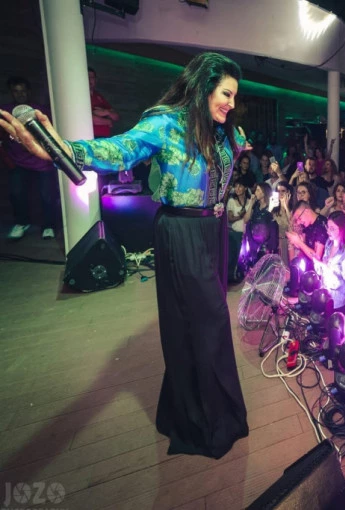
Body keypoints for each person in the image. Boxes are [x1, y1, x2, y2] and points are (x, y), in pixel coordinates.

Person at [1, 53, 251, 458]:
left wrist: (237, 144)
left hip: (213, 231)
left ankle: (207, 412)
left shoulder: (220, 128)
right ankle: (203, 421)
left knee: (205, 324)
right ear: (204, 87)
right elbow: (119, 150)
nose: (231, 103)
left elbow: (227, 153)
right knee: (208, 323)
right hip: (182, 231)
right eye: (226, 93)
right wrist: (59, 149)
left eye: (234, 96)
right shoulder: (166, 123)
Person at [1, 76, 58, 240]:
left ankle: (48, 226)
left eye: (23, 91)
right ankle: (21, 223)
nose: (20, 94)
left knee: (47, 195)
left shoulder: (40, 111)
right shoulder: (5, 112)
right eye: (16, 91)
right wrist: (7, 158)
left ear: (29, 92)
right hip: (17, 162)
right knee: (16, 193)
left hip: (42, 162)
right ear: (11, 93)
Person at [312, 211, 345, 309]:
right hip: (323, 297)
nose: (328, 231)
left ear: (341, 229)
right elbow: (321, 273)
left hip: (336, 303)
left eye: (332, 228)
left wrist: (326, 268)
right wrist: (317, 263)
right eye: (328, 227)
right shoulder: (328, 244)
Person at [88, 67, 120, 138]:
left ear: (95, 80)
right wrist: (108, 121)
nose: (89, 79)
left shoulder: (98, 96)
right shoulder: (80, 97)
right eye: (87, 77)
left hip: (104, 137)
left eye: (92, 77)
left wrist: (106, 112)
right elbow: (89, 119)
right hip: (90, 136)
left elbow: (116, 117)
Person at [272, 181, 294, 266]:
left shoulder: (293, 208)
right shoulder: (274, 208)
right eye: (278, 191)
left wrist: (286, 206)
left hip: (288, 242)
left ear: (288, 192)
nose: (280, 193)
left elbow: (291, 224)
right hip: (276, 242)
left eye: (283, 191)